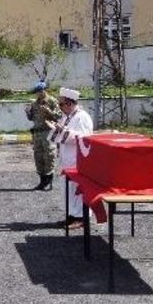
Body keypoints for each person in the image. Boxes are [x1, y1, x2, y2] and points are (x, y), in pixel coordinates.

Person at [47, 87, 94, 230]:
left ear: (69, 103)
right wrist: (57, 128)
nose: (60, 108)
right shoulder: (68, 116)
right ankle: (71, 216)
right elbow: (64, 135)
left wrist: (63, 131)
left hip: (78, 159)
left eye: (61, 104)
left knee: (77, 190)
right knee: (68, 189)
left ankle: (81, 218)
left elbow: (85, 138)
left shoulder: (82, 117)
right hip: (67, 158)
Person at [26, 81, 62, 191]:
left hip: (48, 132)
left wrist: (49, 111)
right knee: (38, 156)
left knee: (49, 155)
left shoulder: (51, 101)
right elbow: (32, 118)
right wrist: (28, 113)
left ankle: (49, 180)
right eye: (35, 92)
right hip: (37, 132)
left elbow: (59, 116)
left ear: (43, 91)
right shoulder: (35, 103)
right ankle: (42, 181)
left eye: (38, 92)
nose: (36, 94)